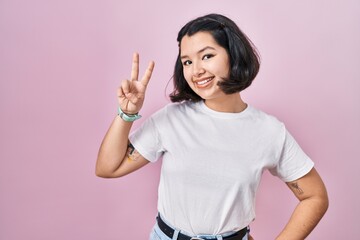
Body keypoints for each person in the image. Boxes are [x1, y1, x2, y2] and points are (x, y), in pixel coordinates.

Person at [96, 13, 328, 240]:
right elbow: (108, 168)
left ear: (233, 55)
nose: (196, 70)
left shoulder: (269, 131)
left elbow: (314, 196)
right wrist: (126, 113)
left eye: (207, 56)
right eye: (187, 61)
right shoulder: (172, 119)